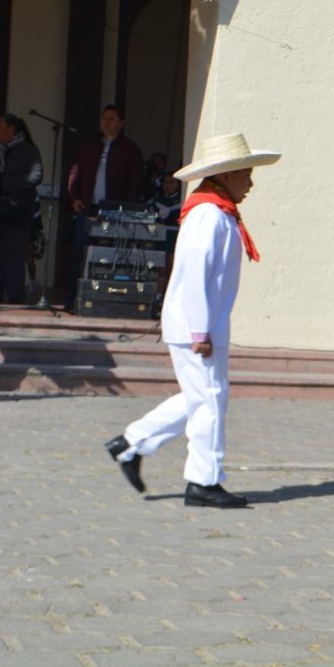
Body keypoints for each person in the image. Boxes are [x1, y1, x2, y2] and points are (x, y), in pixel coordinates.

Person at [105, 133, 280, 508]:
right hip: (196, 325)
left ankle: (132, 443)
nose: (250, 183)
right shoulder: (208, 215)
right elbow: (196, 273)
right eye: (245, 174)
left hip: (201, 323)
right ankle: (203, 481)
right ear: (226, 175)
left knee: (200, 397)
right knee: (210, 401)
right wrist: (200, 329)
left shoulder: (216, 213)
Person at [66, 104, 145, 309]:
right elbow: (76, 173)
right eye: (104, 118)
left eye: (111, 118)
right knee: (80, 254)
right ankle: (73, 301)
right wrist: (74, 197)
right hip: (88, 208)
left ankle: (107, 302)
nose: (106, 122)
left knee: (112, 257)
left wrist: (129, 210)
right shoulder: (89, 146)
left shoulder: (129, 148)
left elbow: (135, 182)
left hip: (115, 211)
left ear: (121, 123)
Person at [0, 113, 43, 304]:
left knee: (13, 254)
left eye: (0, 127)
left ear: (12, 129)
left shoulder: (27, 150)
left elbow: (36, 176)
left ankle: (15, 295)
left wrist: (4, 183)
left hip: (14, 209)